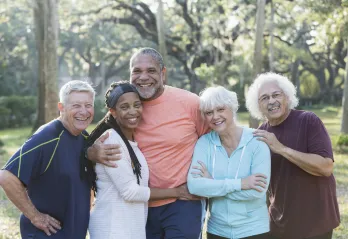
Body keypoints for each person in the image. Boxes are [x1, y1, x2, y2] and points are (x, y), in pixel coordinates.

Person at [87, 47, 208, 239]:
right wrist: (90, 153)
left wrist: (209, 177)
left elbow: (213, 140)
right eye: (137, 71)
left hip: (183, 201)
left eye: (151, 70)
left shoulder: (190, 103)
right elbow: (91, 139)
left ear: (163, 73)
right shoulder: (126, 104)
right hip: (140, 208)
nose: (143, 77)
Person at [246, 72, 340, 239]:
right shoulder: (261, 134)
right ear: (258, 106)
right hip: (279, 224)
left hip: (316, 224)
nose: (271, 101)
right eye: (264, 98)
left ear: (287, 97)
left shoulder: (308, 121)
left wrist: (281, 148)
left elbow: (326, 167)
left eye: (276, 95)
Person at [0, 80, 95, 239]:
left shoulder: (85, 138)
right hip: (46, 234)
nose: (84, 111)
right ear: (61, 107)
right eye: (76, 105)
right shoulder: (47, 137)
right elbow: (6, 177)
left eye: (88, 105)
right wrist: (35, 216)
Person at [187, 86, 271, 239]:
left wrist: (212, 184)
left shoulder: (257, 141)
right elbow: (194, 186)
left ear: (232, 108)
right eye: (209, 113)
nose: (215, 116)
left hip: (255, 230)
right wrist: (240, 183)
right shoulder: (204, 143)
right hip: (217, 230)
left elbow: (257, 190)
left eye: (220, 109)